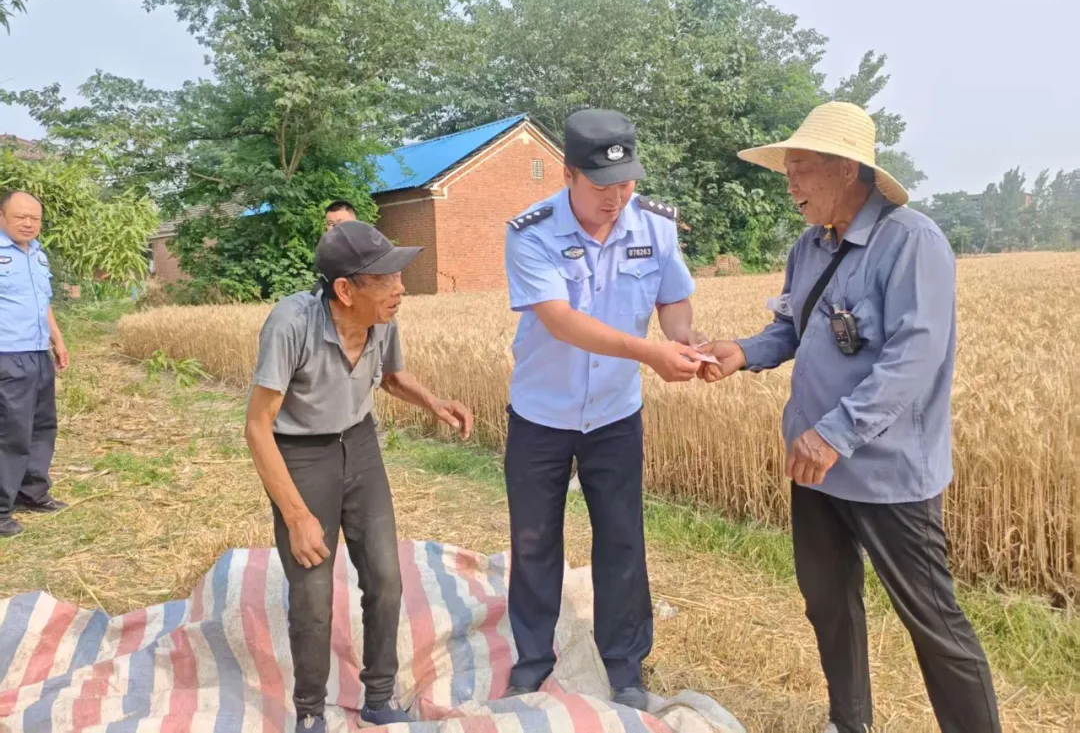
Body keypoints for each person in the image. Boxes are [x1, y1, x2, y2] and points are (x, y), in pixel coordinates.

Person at [699, 102, 1001, 733]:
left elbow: (914, 358)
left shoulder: (912, 241)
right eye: (789, 170)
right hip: (814, 467)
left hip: (887, 473)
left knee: (932, 621)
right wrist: (742, 353)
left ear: (846, 170)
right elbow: (791, 327)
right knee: (828, 603)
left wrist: (835, 433)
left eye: (802, 168)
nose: (791, 184)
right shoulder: (808, 246)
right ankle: (849, 722)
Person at [500, 108, 707, 711]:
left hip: (615, 415)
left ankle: (624, 664)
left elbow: (674, 300)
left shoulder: (657, 228)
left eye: (627, 183)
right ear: (568, 174)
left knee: (621, 539)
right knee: (535, 540)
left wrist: (685, 343)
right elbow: (561, 322)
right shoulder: (531, 232)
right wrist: (650, 352)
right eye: (601, 186)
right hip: (542, 414)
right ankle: (534, 660)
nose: (617, 197)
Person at [244, 221, 473, 732]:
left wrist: (432, 401)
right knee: (313, 593)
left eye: (398, 275)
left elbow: (391, 377)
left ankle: (379, 695)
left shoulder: (382, 318)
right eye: (386, 278)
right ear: (344, 290)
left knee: (386, 577)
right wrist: (297, 514)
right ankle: (309, 712)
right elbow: (257, 428)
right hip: (302, 456)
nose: (400, 289)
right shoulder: (290, 325)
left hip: (361, 447)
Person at [0, 190, 70, 539]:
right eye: (20, 217)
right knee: (10, 432)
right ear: (2, 217)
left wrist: (56, 338)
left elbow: (43, 302)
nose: (28, 223)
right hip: (7, 354)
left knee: (42, 426)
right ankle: (0, 510)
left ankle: (32, 493)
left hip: (37, 351)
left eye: (35, 218)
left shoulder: (37, 254)